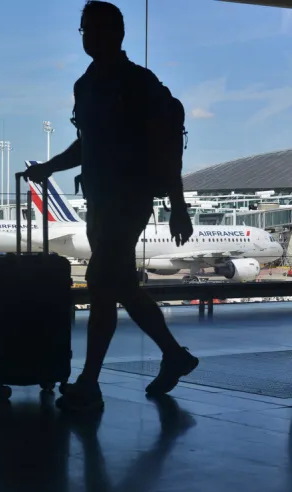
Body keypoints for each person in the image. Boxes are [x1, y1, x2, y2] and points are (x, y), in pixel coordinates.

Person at [23, 1, 198, 413]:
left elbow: (166, 146)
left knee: (102, 281)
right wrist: (50, 167)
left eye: (97, 29)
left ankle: (89, 382)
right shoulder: (87, 85)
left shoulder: (138, 83)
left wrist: (177, 205)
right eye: (84, 30)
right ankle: (174, 355)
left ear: (118, 34)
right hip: (100, 200)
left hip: (130, 198)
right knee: (117, 285)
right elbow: (88, 144)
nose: (89, 37)